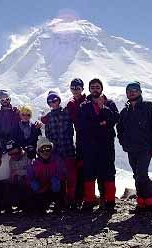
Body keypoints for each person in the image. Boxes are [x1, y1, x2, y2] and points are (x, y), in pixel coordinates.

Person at [117, 80, 152, 212]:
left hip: (145, 148)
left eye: (134, 90)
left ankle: (151, 200)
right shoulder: (124, 112)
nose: (131, 93)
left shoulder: (148, 107)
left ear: (139, 92)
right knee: (136, 174)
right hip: (131, 148)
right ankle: (142, 202)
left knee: (141, 174)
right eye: (129, 91)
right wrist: (123, 142)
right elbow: (119, 128)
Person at [79, 78, 119, 212]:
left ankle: (110, 201)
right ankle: (89, 201)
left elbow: (114, 119)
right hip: (90, 145)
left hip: (106, 144)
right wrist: (102, 123)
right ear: (89, 89)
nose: (95, 89)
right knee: (89, 172)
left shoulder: (110, 103)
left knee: (108, 172)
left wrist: (103, 108)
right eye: (92, 87)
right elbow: (84, 124)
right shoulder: (84, 105)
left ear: (101, 88)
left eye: (97, 87)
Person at [44, 91, 77, 208]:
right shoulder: (48, 117)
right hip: (56, 152)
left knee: (71, 176)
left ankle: (72, 199)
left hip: (68, 149)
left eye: (55, 100)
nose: (53, 103)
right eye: (50, 101)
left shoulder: (67, 112)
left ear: (59, 100)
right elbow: (48, 135)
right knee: (59, 176)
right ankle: (62, 200)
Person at [27, 137, 66, 213]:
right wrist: (33, 183)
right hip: (41, 189)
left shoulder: (57, 159)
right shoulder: (33, 163)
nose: (45, 152)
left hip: (53, 189)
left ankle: (58, 203)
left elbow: (63, 173)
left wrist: (56, 179)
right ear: (38, 151)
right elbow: (29, 178)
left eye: (48, 149)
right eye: (42, 149)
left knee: (57, 182)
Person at [66, 78, 87, 207]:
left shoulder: (89, 99)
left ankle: (89, 196)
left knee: (90, 165)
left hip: (91, 136)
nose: (75, 91)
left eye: (78, 88)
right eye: (73, 88)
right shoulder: (71, 103)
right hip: (80, 136)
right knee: (80, 166)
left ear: (82, 89)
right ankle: (79, 197)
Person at [6, 140, 33, 211]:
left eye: (16, 153)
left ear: (20, 149)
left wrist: (18, 172)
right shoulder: (11, 161)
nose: (13, 156)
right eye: (11, 154)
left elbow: (31, 172)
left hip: (31, 183)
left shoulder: (28, 156)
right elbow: (12, 176)